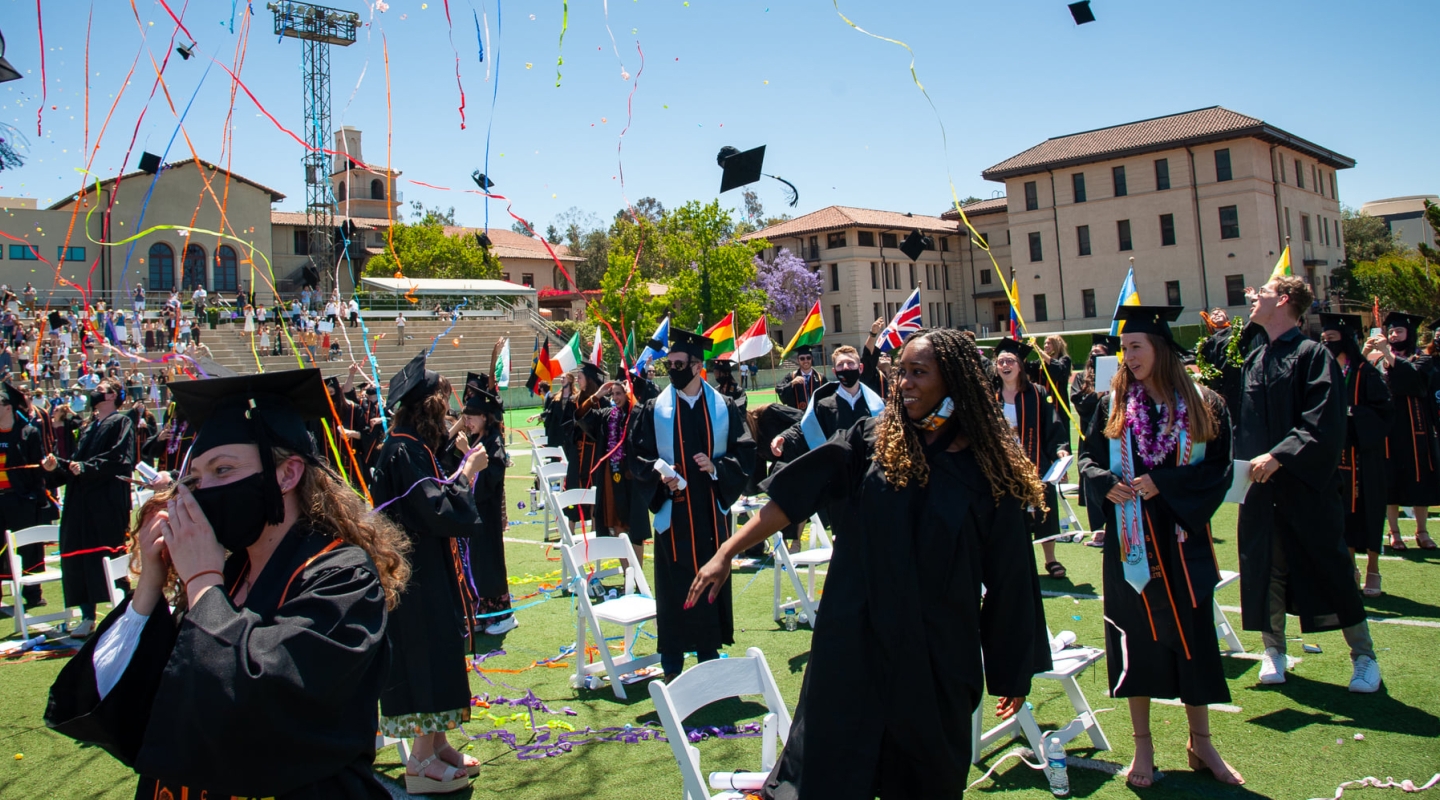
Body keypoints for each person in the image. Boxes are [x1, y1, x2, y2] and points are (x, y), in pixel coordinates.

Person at [689, 328, 1050, 799]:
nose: (904, 384)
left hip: (936, 655)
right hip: (854, 640)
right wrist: (726, 552)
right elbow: (794, 497)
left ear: (955, 381)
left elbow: (1011, 577)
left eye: (919, 373)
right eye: (902, 373)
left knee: (926, 779)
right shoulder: (872, 438)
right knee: (829, 771)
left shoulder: (988, 469)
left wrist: (1011, 669)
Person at [44, 368, 410, 798]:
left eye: (223, 470)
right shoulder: (231, 569)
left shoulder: (342, 576)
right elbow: (134, 709)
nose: (202, 492)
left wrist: (201, 580)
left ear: (287, 474)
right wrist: (149, 590)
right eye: (196, 479)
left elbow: (259, 701)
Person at [1078, 305, 1242, 788]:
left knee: (1194, 640)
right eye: (1124, 348)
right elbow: (1087, 459)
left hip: (1181, 541)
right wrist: (1104, 481)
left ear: (1162, 350)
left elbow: (1218, 470)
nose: (1127, 357)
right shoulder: (1111, 406)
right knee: (1135, 639)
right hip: (1130, 545)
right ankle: (1142, 745)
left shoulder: (1205, 404)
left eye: (1136, 347)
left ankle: (1201, 741)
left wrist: (1164, 484)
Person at [1238, 276, 1381, 692]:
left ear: (1283, 301)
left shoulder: (1312, 355)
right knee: (1268, 568)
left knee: (1331, 565)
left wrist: (1280, 455)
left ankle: (1364, 657)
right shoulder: (1255, 357)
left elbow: (1322, 420)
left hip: (1305, 484)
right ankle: (1274, 650)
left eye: (1260, 294)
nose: (1252, 298)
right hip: (1260, 488)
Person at [371, 354, 487, 792]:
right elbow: (434, 508)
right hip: (413, 575)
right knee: (425, 653)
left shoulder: (409, 445)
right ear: (430, 406)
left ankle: (437, 744)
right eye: (444, 400)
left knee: (441, 649)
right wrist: (468, 474)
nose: (451, 410)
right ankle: (419, 761)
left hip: (427, 568)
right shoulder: (402, 449)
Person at [631, 329, 755, 680]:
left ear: (697, 366)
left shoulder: (724, 406)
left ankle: (708, 651)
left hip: (709, 508)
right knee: (674, 581)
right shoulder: (655, 408)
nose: (672, 369)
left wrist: (717, 467)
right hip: (674, 509)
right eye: (669, 364)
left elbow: (744, 451)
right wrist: (659, 475)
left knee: (712, 572)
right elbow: (637, 455)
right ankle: (671, 657)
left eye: (679, 364)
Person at [42, 377, 135, 638]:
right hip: (79, 501)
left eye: (101, 390)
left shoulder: (121, 422)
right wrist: (56, 467)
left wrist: (87, 467)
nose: (95, 393)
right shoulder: (88, 426)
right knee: (79, 555)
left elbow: (120, 459)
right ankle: (87, 616)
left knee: (108, 554)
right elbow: (75, 464)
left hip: (105, 502)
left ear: (112, 396)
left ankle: (128, 610)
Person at [1320, 313, 1394, 598]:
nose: (1327, 344)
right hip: (1335, 456)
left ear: (1347, 340)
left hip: (1364, 456)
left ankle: (1373, 568)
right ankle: (1350, 567)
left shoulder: (1365, 372)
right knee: (1341, 513)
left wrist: (1352, 416)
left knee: (1369, 509)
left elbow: (1385, 412)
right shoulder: (1324, 374)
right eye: (1324, 339)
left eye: (1333, 339)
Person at [994, 337, 1070, 578]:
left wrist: (1060, 448)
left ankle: (1050, 560)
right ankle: (1014, 560)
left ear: (1020, 365)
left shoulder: (1037, 393)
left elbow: (1052, 424)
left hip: (1034, 459)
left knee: (1043, 508)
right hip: (1002, 466)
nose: (1005, 365)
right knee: (1009, 514)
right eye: (1000, 361)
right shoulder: (990, 396)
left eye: (1010, 361)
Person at [1368, 311, 1440, 550]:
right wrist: (1368, 353)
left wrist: (1387, 353)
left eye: (1399, 331)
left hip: (1415, 427)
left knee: (1420, 478)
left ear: (1410, 333)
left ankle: (1422, 530)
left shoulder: (1422, 358)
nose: (1393, 335)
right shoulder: (1378, 360)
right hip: (1388, 428)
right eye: (1391, 331)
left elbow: (1413, 383)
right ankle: (1394, 532)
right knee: (1390, 479)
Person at [450, 372, 515, 635]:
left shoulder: (494, 443)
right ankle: (481, 613)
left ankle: (503, 614)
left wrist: (467, 453)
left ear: (486, 417)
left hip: (487, 515)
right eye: (465, 417)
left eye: (472, 416)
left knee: (490, 564)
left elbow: (490, 477)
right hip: (473, 516)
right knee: (474, 564)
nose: (467, 421)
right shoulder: (476, 439)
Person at [0, 382, 53, 608]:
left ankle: (32, 593)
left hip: (21, 499)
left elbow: (38, 467)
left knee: (29, 548)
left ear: (8, 407)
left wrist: (38, 499)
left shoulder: (28, 432)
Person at [1071, 334, 1119, 543]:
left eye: (1099, 354)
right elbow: (1078, 401)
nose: (1094, 356)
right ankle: (1098, 527)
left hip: (1115, 435)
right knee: (1093, 477)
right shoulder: (1082, 377)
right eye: (1092, 353)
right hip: (1091, 434)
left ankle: (1118, 523)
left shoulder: (1119, 374)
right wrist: (1097, 396)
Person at [1029, 334, 1073, 415]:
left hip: (1059, 405)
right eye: (1045, 343)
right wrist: (1025, 350)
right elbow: (1029, 370)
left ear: (1057, 344)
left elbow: (1058, 369)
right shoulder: (1041, 362)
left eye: (1049, 343)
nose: (1045, 346)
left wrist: (1038, 350)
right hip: (1043, 404)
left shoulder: (1065, 360)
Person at [775, 346, 825, 411]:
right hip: (797, 415)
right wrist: (791, 384)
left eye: (808, 358)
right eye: (802, 358)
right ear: (798, 360)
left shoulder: (820, 378)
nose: (806, 361)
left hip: (817, 415)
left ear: (812, 359)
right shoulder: (791, 377)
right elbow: (780, 390)